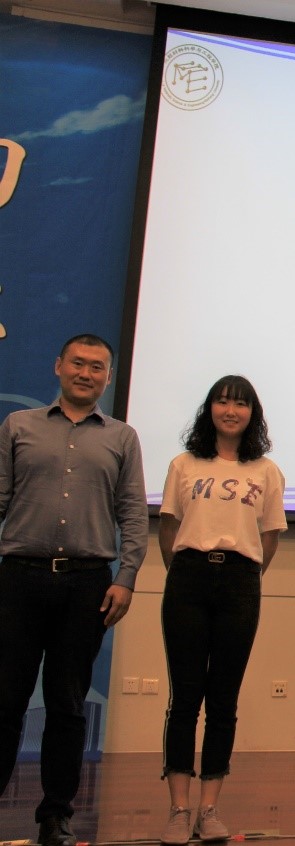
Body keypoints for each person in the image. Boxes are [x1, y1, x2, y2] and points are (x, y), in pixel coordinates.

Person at [0, 333, 147, 846]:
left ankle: (55, 815)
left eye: (97, 367)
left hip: (87, 583)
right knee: (6, 699)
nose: (86, 373)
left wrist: (127, 578)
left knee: (67, 704)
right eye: (78, 363)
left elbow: (133, 513)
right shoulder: (18, 426)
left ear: (108, 376)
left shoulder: (122, 437)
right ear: (59, 366)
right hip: (19, 577)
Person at [157, 376, 287, 844]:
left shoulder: (266, 471)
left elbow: (269, 538)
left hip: (240, 582)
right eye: (223, 401)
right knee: (185, 698)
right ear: (209, 408)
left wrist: (241, 576)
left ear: (253, 413)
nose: (231, 411)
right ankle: (178, 809)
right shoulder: (184, 464)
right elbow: (168, 530)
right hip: (188, 579)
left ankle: (209, 809)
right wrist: (186, 573)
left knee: (223, 700)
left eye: (240, 404)